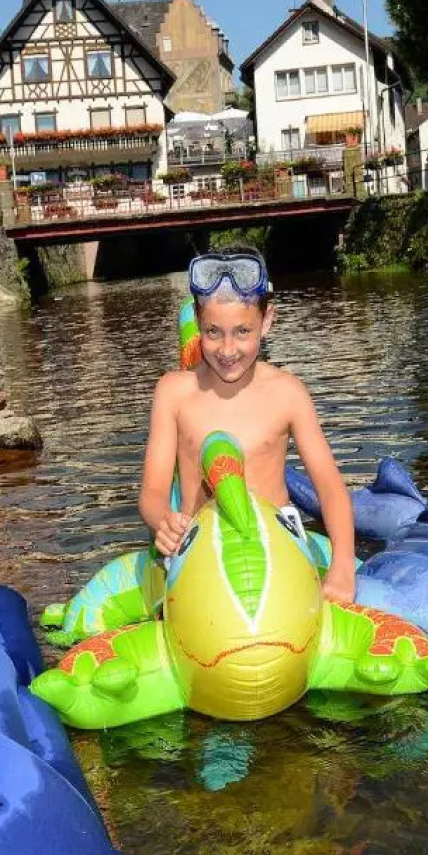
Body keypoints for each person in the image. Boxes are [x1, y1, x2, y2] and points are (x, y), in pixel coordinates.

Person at [139, 248, 358, 602]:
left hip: (278, 551)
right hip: (203, 557)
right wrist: (163, 519)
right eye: (213, 332)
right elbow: (152, 492)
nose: (228, 349)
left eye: (243, 331)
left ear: (267, 320)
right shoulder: (173, 393)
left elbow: (331, 489)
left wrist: (343, 568)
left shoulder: (288, 393)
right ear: (196, 320)